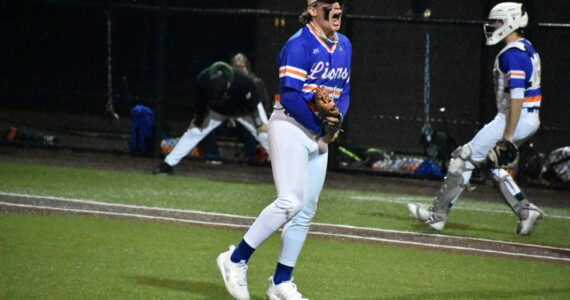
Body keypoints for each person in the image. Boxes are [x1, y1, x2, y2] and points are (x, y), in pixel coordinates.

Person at [216, 0, 351, 299]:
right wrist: (324, 128)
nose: (338, 9)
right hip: (290, 126)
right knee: (290, 201)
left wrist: (336, 123)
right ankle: (235, 259)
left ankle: (280, 283)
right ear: (314, 10)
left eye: (339, 4)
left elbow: (344, 92)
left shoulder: (344, 45)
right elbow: (290, 97)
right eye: (330, 5)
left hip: (317, 133)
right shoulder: (299, 44)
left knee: (305, 211)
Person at [407, 2, 545, 235]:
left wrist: (508, 137)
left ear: (510, 21)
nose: (493, 26)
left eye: (497, 22)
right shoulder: (526, 47)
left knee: (463, 158)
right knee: (492, 166)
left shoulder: (512, 55)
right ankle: (525, 211)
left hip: (514, 118)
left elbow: (516, 98)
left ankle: (437, 216)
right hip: (527, 118)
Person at [152, 61, 269, 175]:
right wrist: (199, 119)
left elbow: (253, 106)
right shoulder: (203, 79)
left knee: (265, 134)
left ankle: (285, 166)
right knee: (194, 131)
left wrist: (259, 124)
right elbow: (200, 103)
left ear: (228, 84)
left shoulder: (243, 81)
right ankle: (167, 164)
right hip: (217, 110)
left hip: (244, 110)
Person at [200, 53, 271, 164]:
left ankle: (250, 158)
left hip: (246, 121)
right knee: (204, 123)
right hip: (227, 122)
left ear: (247, 68)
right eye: (236, 67)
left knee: (251, 125)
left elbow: (263, 106)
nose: (239, 70)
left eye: (241, 67)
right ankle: (213, 156)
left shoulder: (255, 83)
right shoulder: (224, 82)